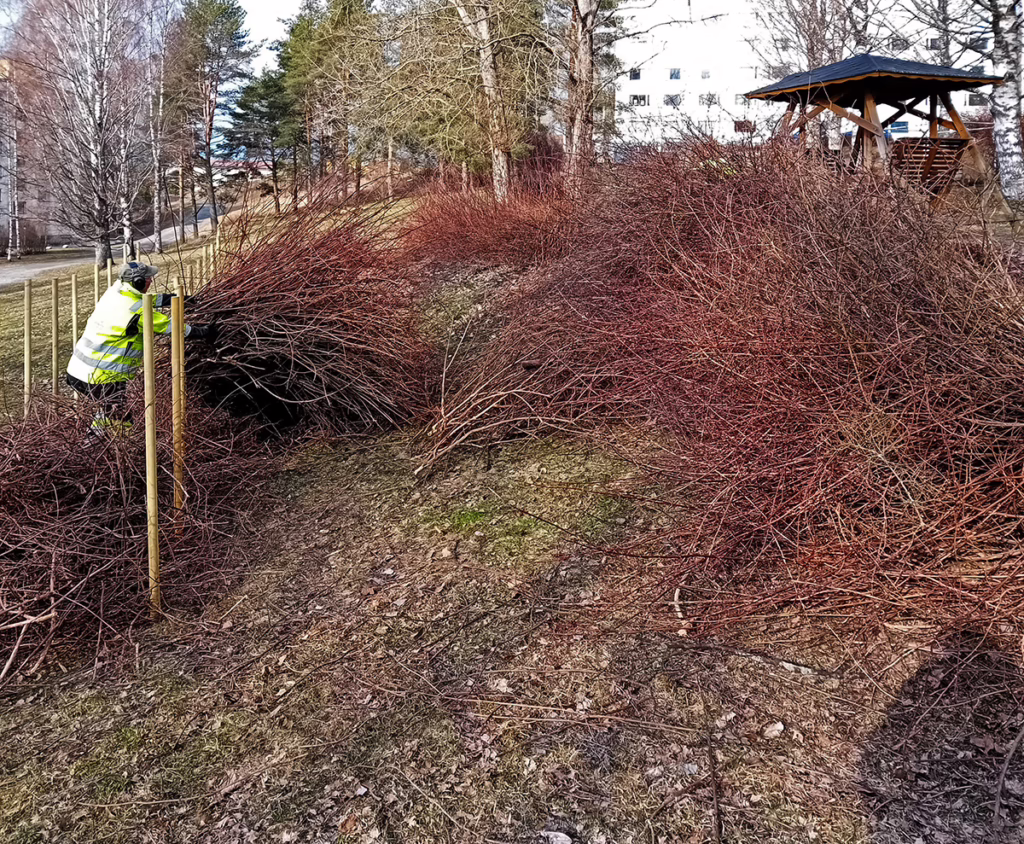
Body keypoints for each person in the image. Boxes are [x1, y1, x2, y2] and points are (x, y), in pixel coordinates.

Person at [66, 260, 216, 436]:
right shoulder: (136, 312)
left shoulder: (116, 291)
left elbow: (145, 300)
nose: (150, 281)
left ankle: (90, 444)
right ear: (137, 282)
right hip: (100, 377)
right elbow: (172, 327)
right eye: (147, 279)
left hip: (77, 371)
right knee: (122, 422)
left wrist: (177, 299)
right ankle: (114, 455)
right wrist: (204, 332)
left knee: (109, 411)